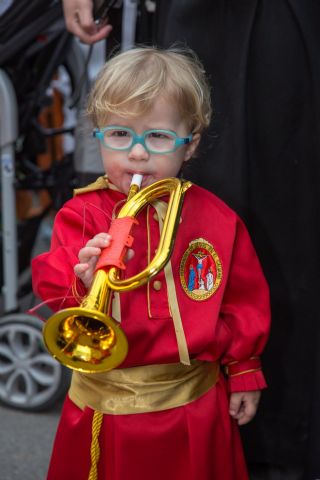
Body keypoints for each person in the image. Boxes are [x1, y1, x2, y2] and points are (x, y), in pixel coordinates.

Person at [32, 46, 270, 480]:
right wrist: (79, 279)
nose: (138, 154)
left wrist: (244, 370)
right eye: (120, 135)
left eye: (158, 137)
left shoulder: (218, 218)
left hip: (192, 407)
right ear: (98, 135)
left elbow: (243, 300)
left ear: (190, 144)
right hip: (102, 409)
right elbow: (55, 293)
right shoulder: (80, 214)